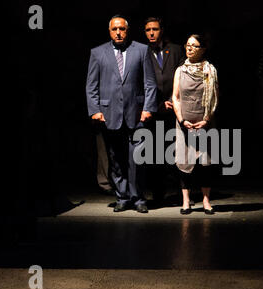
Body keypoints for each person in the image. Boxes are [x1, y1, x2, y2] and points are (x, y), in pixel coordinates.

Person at [86, 14, 157, 213]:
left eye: (122, 29)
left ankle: (138, 198)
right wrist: (95, 111)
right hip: (110, 115)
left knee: (137, 159)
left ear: (127, 30)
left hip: (137, 114)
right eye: (114, 29)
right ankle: (122, 197)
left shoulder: (141, 50)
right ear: (109, 31)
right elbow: (91, 86)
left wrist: (148, 108)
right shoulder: (98, 53)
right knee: (116, 159)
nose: (118, 32)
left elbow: (149, 83)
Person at [172, 34, 219, 215]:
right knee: (184, 161)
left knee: (205, 162)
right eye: (187, 45)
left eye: (194, 46)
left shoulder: (210, 70)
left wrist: (206, 119)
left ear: (203, 49)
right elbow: (175, 97)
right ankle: (186, 201)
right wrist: (182, 120)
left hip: (205, 122)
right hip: (184, 123)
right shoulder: (180, 70)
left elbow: (214, 97)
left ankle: (206, 201)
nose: (189, 48)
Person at [143, 17, 185, 205]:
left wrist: (170, 100)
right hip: (153, 111)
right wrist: (155, 104)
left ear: (162, 30)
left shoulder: (175, 50)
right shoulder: (141, 52)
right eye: (147, 30)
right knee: (155, 156)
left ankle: (180, 194)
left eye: (154, 29)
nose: (151, 33)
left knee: (176, 153)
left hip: (174, 110)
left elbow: (183, 76)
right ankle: (158, 195)